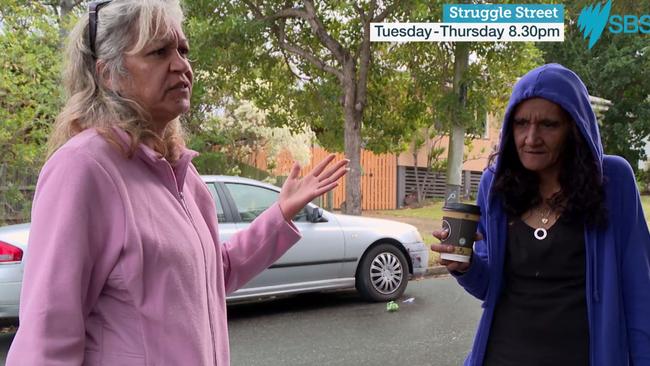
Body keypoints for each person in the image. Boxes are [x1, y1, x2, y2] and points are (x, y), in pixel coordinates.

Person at [6, 1, 348, 365]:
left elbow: (215, 272)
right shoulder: (84, 168)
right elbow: (46, 337)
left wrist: (280, 213)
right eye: (158, 52)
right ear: (109, 74)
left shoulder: (182, 173)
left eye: (183, 50)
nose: (181, 65)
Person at [432, 63, 650, 366]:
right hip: (502, 355)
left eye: (548, 125)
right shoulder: (495, 184)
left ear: (575, 128)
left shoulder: (613, 181)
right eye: (521, 123)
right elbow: (489, 288)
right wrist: (464, 267)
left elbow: (640, 292)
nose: (531, 138)